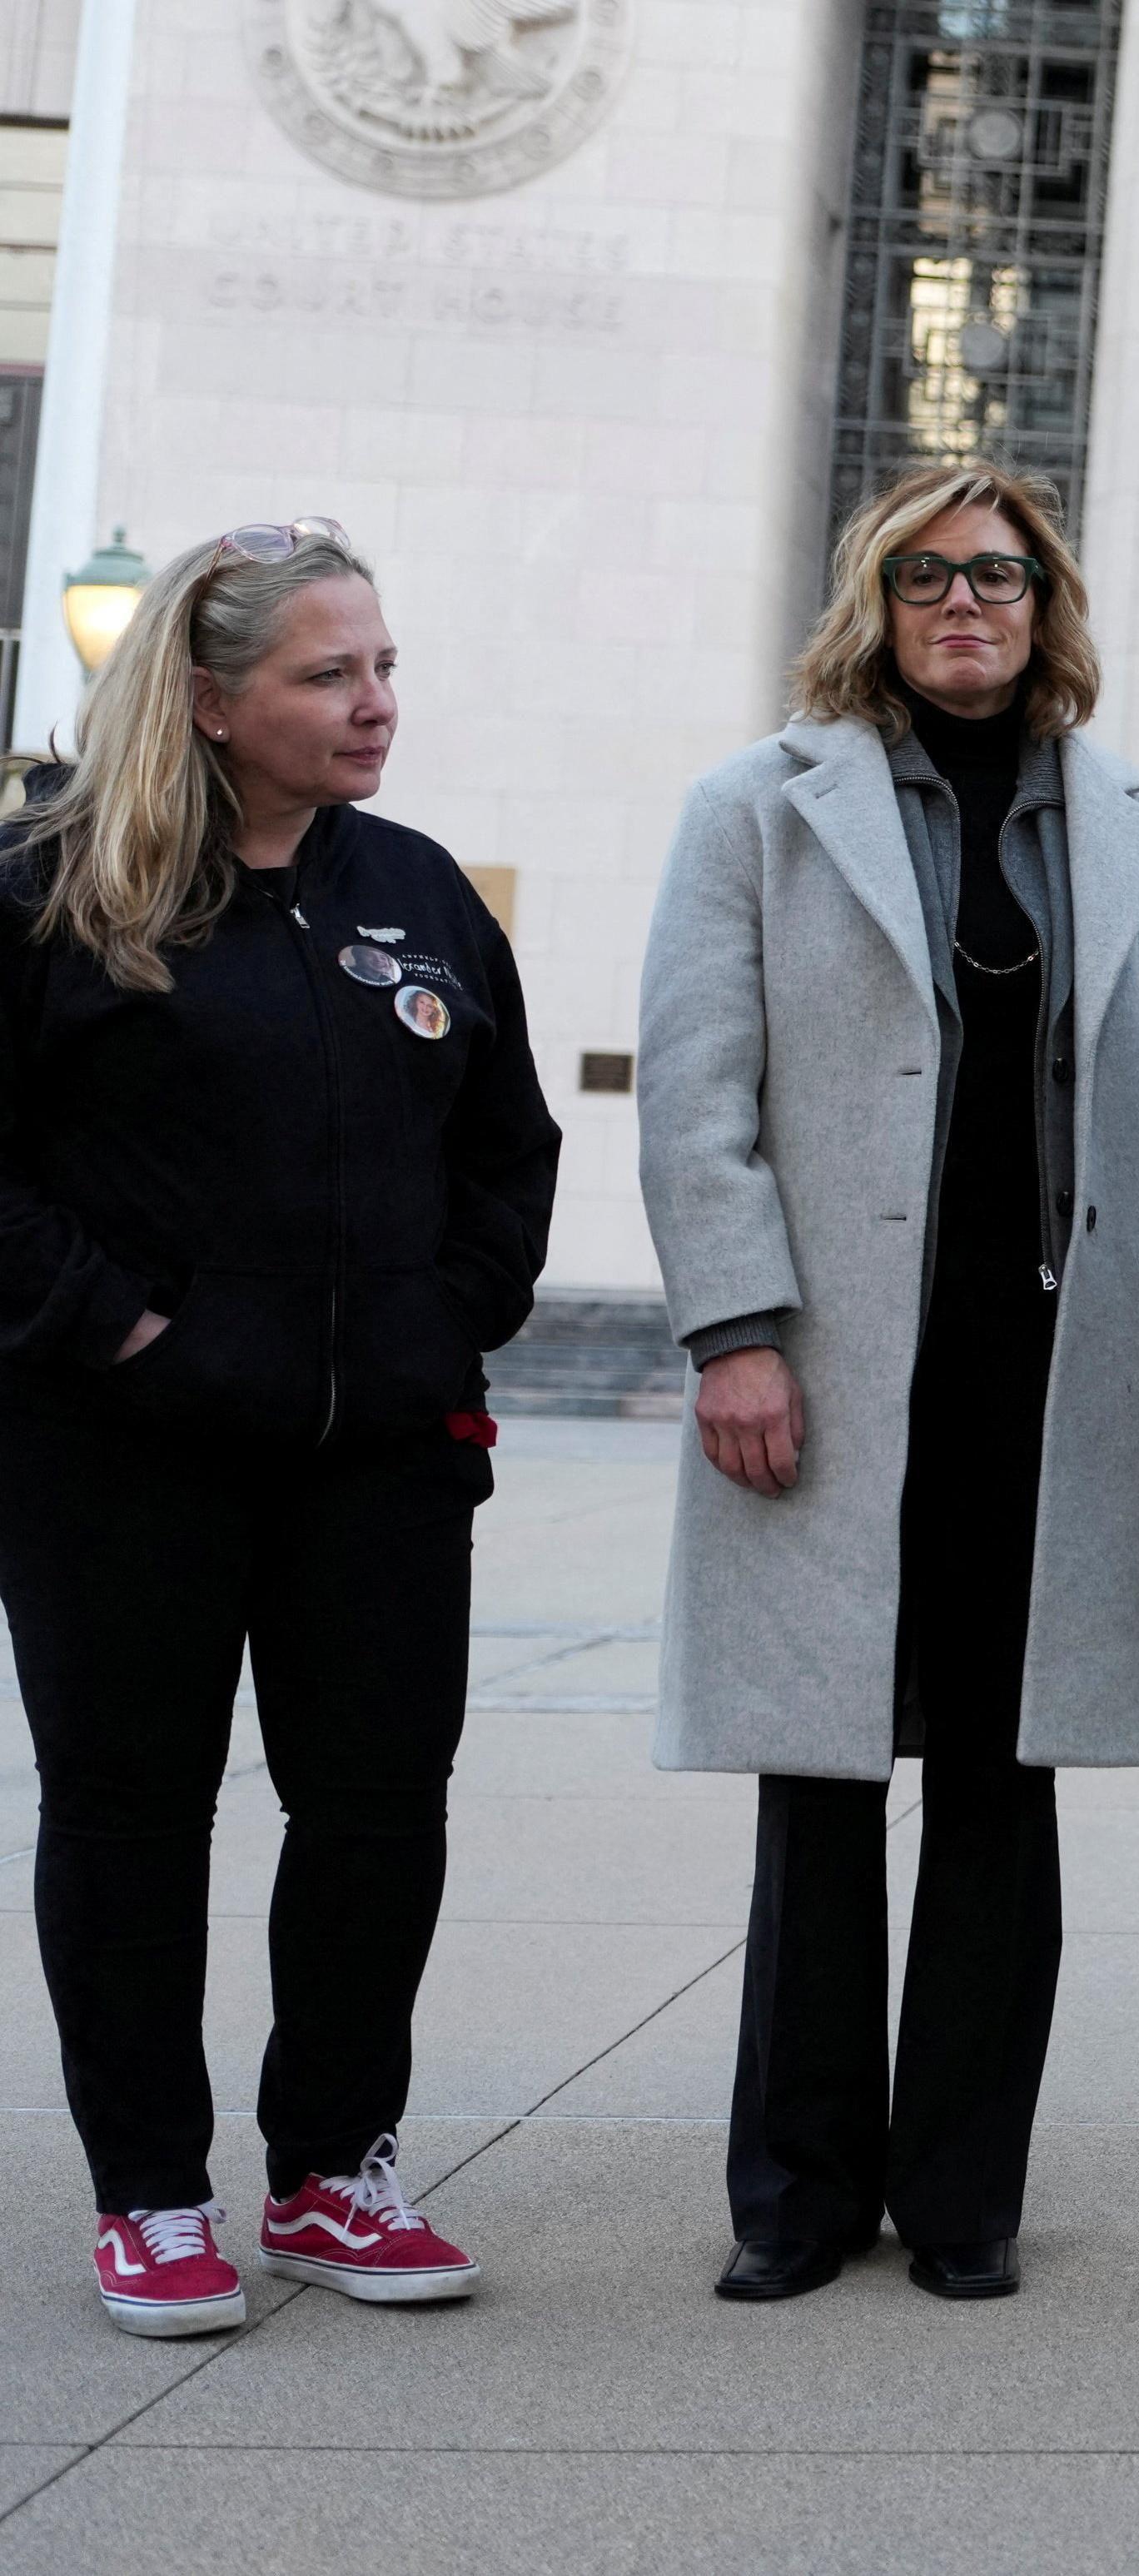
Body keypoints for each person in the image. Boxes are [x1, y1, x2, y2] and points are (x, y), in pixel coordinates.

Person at [642, 465, 1139, 2305]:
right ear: (874, 600)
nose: (967, 602)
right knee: (817, 1776)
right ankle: (794, 2194)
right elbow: (699, 1098)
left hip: (1042, 1377)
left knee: (1001, 1786)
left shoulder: (1123, 822)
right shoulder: (757, 808)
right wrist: (733, 1331)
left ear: (1048, 604)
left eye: (1001, 576)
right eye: (929, 575)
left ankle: (961, 2195)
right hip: (835, 1363)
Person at [0, 523, 559, 2336]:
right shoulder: (52, 890)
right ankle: (151, 2191)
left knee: (379, 1807)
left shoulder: (412, 887)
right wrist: (129, 1326)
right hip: (121, 1449)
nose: (375, 701)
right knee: (133, 1810)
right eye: (330, 674)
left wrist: (444, 1317)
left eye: (382, 664)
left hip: (383, 1453)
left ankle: (333, 2169)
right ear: (212, 697)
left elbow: (509, 1140)